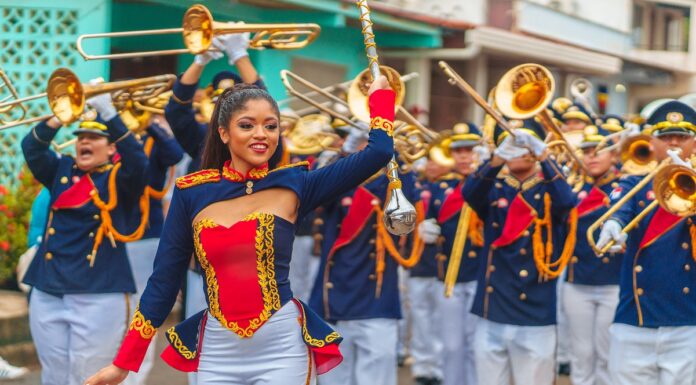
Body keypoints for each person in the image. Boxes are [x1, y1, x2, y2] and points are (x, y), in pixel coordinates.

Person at [84, 75, 395, 385]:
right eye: (247, 125)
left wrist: (381, 99)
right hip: (218, 350)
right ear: (223, 133)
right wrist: (123, 363)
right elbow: (163, 281)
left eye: (270, 126)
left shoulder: (297, 185)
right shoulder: (191, 193)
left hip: (282, 347)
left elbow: (378, 153)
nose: (261, 135)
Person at [20, 92, 148, 385]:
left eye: (94, 138)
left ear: (111, 147)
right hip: (48, 287)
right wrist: (61, 114)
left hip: (98, 292)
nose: (84, 142)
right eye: (80, 137)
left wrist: (110, 113)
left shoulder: (119, 178)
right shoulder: (61, 170)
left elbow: (139, 163)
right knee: (53, 374)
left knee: (88, 375)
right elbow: (32, 147)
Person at [462, 119, 577, 385]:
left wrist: (545, 157)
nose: (518, 152)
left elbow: (567, 202)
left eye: (525, 145)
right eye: (512, 145)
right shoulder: (495, 188)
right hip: (493, 309)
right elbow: (470, 193)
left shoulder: (549, 188)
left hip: (534, 312)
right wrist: (496, 158)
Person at [308, 129, 421, 385]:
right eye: (361, 147)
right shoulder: (338, 183)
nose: (365, 155)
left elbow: (409, 196)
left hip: (376, 299)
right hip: (334, 298)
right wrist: (343, 154)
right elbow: (315, 187)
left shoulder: (392, 184)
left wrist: (392, 150)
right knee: (334, 379)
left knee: (377, 377)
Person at [597, 100, 696, 385]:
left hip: (686, 320)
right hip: (634, 321)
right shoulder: (634, 182)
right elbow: (619, 204)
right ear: (652, 142)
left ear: (694, 142)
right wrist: (613, 223)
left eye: (682, 136)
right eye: (665, 137)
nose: (674, 143)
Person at [421, 123, 487, 385]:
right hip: (448, 275)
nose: (463, 156)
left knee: (476, 345)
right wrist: (423, 227)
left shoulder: (488, 183)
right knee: (451, 346)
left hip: (479, 274)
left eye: (469, 150)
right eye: (458, 150)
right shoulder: (441, 188)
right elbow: (426, 217)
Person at [124, 116, 184, 385]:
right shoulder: (121, 139)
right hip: (113, 238)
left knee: (142, 311)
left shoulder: (155, 142)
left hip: (146, 238)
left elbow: (174, 153)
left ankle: (134, 377)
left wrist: (152, 124)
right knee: (114, 314)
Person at [563, 125, 623, 385]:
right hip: (578, 281)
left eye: (599, 151)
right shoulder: (573, 189)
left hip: (613, 281)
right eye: (587, 151)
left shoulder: (625, 186)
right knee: (581, 353)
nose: (592, 156)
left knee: (607, 353)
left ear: (613, 155)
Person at [405, 156, 450, 385]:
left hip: (443, 263)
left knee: (442, 317)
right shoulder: (416, 186)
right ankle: (423, 365)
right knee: (420, 316)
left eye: (437, 161)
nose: (432, 166)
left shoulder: (450, 187)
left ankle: (440, 365)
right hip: (419, 260)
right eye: (429, 161)